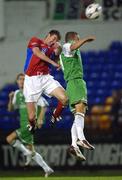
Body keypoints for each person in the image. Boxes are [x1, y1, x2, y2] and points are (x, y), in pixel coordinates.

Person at [6, 73, 53, 177]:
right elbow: (10, 109)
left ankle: (26, 153)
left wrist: (40, 119)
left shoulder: (31, 91)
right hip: (23, 123)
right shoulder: (17, 93)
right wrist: (10, 98)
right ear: (17, 81)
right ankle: (47, 168)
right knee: (32, 150)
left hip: (30, 123)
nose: (21, 81)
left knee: (9, 139)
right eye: (20, 79)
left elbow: (44, 104)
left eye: (23, 79)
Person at [59, 32, 95, 160]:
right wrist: (86, 39)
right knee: (80, 112)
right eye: (78, 38)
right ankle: (82, 139)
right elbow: (73, 47)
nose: (79, 41)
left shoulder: (66, 52)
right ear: (74, 38)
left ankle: (74, 145)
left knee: (78, 116)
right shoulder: (67, 46)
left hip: (72, 83)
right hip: (75, 82)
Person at [23, 30, 68, 132]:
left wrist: (59, 48)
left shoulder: (51, 49)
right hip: (31, 80)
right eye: (54, 38)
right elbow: (37, 53)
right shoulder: (36, 41)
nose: (54, 41)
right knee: (31, 117)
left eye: (56, 40)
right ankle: (32, 124)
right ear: (48, 35)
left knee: (65, 99)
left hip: (46, 78)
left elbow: (57, 54)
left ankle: (55, 115)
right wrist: (53, 62)